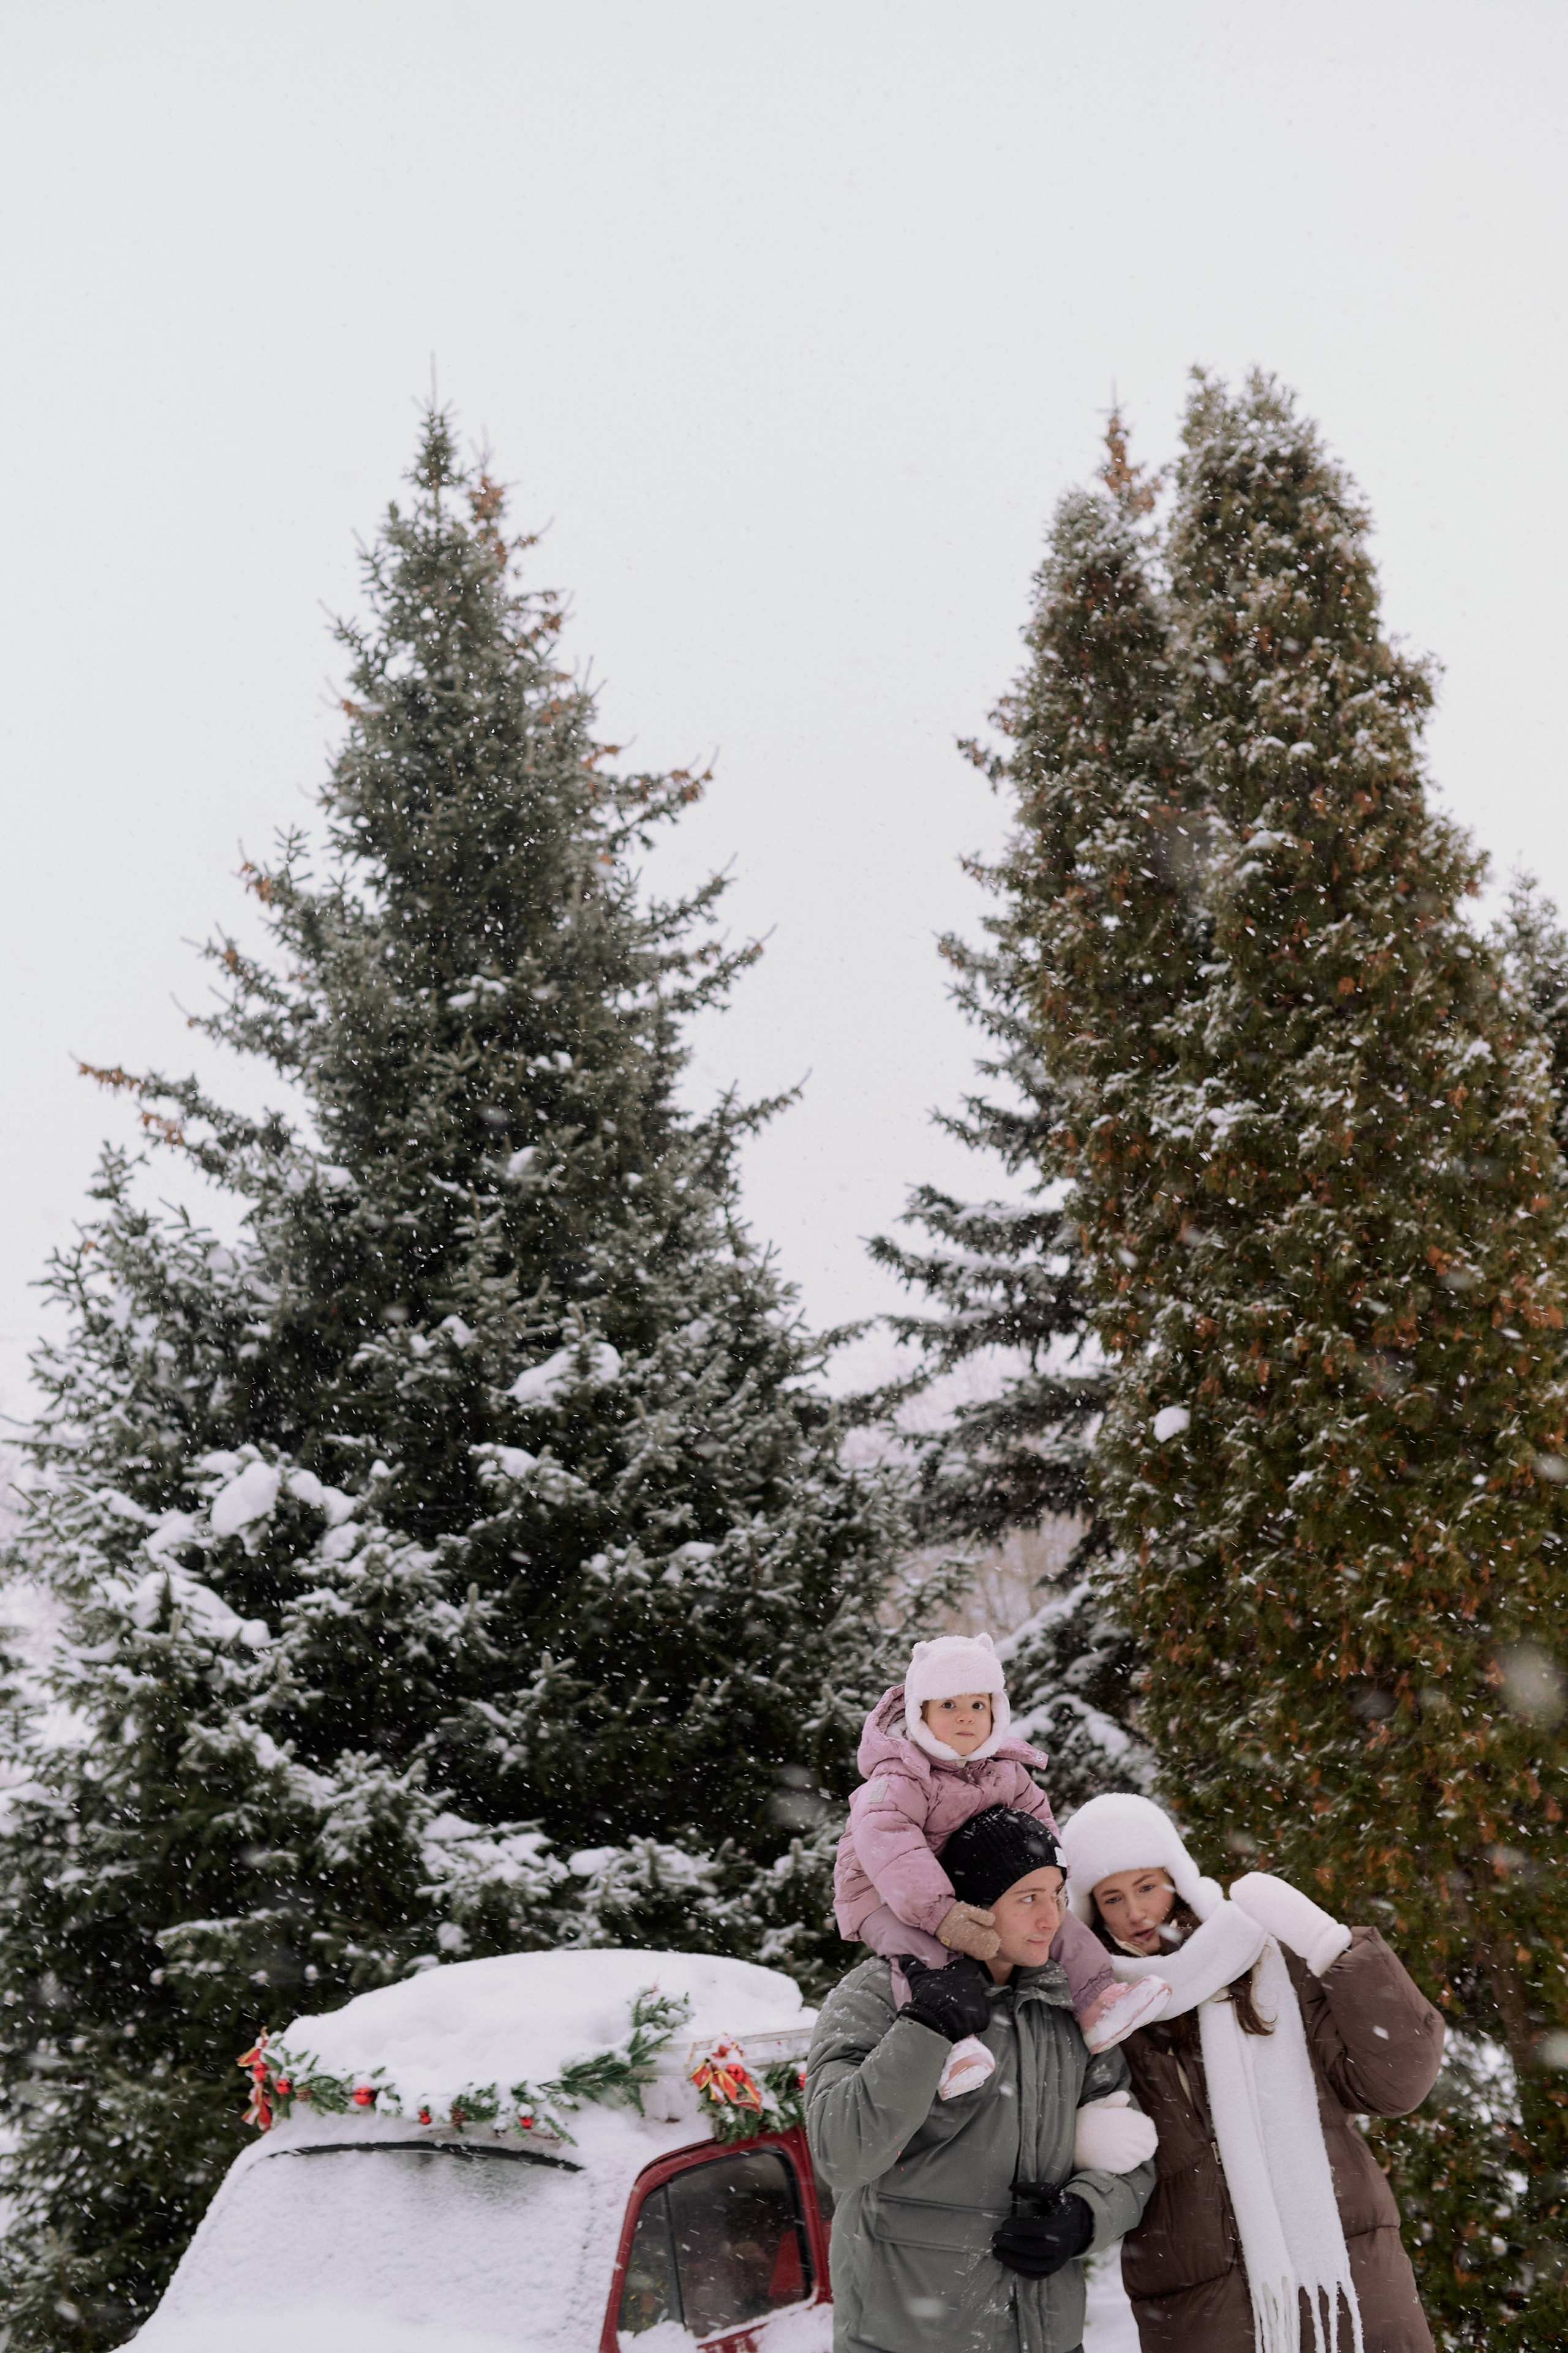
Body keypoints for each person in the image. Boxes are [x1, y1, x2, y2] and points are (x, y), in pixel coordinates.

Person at [1059, 1793, 1446, 2353]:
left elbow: (1394, 2084)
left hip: (1349, 2276)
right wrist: (1083, 2141)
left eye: (1147, 1886)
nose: (1135, 1912)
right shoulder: (1099, 2013)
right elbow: (1069, 2131)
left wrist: (1335, 1949)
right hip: (1199, 2301)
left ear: (1178, 1878)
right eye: (1112, 1898)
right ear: (1092, 1911)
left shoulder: (1265, 1958)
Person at [809, 1804, 1158, 2353]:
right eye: (1028, 1898)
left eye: (1057, 1896)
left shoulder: (1067, 2003)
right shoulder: (877, 1995)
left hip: (1047, 2334)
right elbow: (841, 2155)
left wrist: (1085, 2217)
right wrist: (925, 2027)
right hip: (910, 2338)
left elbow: (1131, 2154)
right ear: (971, 1906)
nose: (1052, 1919)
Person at [834, 1633, 1169, 2055]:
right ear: (920, 1713)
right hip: (880, 1894)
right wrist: (939, 1914)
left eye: (978, 1705)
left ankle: (1098, 2005)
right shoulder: (901, 1777)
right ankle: (948, 2044)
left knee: (1059, 1925)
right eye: (948, 1705)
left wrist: (1052, 1884)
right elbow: (890, 1846)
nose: (965, 1717)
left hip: (959, 1882)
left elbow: (1040, 1822)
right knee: (928, 1955)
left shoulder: (1003, 1770)